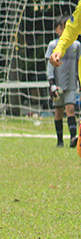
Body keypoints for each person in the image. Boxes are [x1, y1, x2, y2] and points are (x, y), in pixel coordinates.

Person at [46, 14, 81, 147]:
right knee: (58, 112)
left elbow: (79, 64)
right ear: (57, 30)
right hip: (58, 85)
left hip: (71, 84)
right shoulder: (53, 45)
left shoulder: (76, 45)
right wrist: (51, 84)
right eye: (63, 28)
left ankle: (73, 139)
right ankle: (60, 141)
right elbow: (50, 67)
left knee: (70, 109)